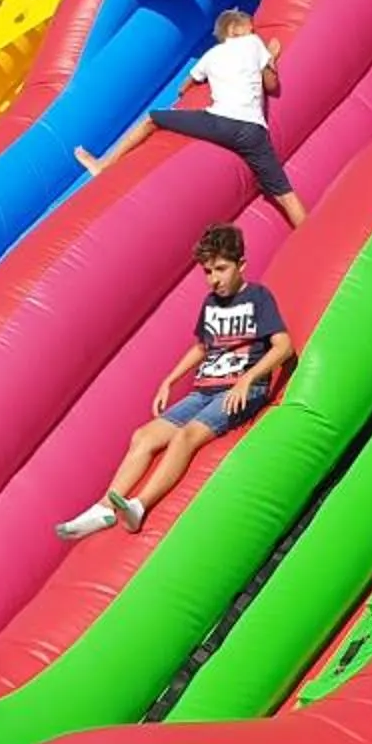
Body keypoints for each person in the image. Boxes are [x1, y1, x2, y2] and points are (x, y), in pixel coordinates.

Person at [57, 225, 291, 540]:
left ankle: (138, 506)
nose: (214, 279)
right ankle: (102, 509)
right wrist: (170, 379)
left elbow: (283, 345)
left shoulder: (258, 297)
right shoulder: (211, 303)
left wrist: (248, 380)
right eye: (208, 272)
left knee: (185, 436)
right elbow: (201, 346)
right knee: (143, 436)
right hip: (205, 389)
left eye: (221, 269)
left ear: (241, 265)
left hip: (240, 389)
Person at [75, 7, 308, 227]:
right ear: (235, 29)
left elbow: (185, 86)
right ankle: (310, 237)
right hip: (253, 131)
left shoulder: (211, 55)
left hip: (219, 124)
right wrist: (271, 59)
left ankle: (104, 165)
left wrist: (189, 90)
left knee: (152, 118)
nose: (254, 30)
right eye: (250, 26)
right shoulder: (253, 43)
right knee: (286, 196)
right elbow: (272, 85)